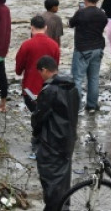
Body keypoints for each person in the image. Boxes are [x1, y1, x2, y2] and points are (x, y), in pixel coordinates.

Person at [31, 56, 80, 211]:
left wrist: (36, 134)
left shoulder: (50, 90)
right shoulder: (72, 87)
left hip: (52, 140)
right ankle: (64, 205)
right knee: (63, 176)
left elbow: (39, 118)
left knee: (50, 177)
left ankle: (54, 208)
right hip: (68, 138)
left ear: (45, 70)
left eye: (40, 73)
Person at [68, 0, 108, 113]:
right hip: (98, 48)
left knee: (78, 79)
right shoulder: (102, 14)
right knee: (94, 78)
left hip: (83, 49)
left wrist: (78, 11)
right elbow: (103, 25)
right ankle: (92, 105)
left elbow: (70, 24)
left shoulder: (81, 13)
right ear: (97, 0)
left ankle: (76, 106)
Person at [15, 16, 62, 112]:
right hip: (49, 90)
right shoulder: (54, 45)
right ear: (46, 28)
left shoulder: (26, 45)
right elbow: (55, 69)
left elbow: (18, 70)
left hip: (30, 90)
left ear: (31, 28)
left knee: (36, 116)